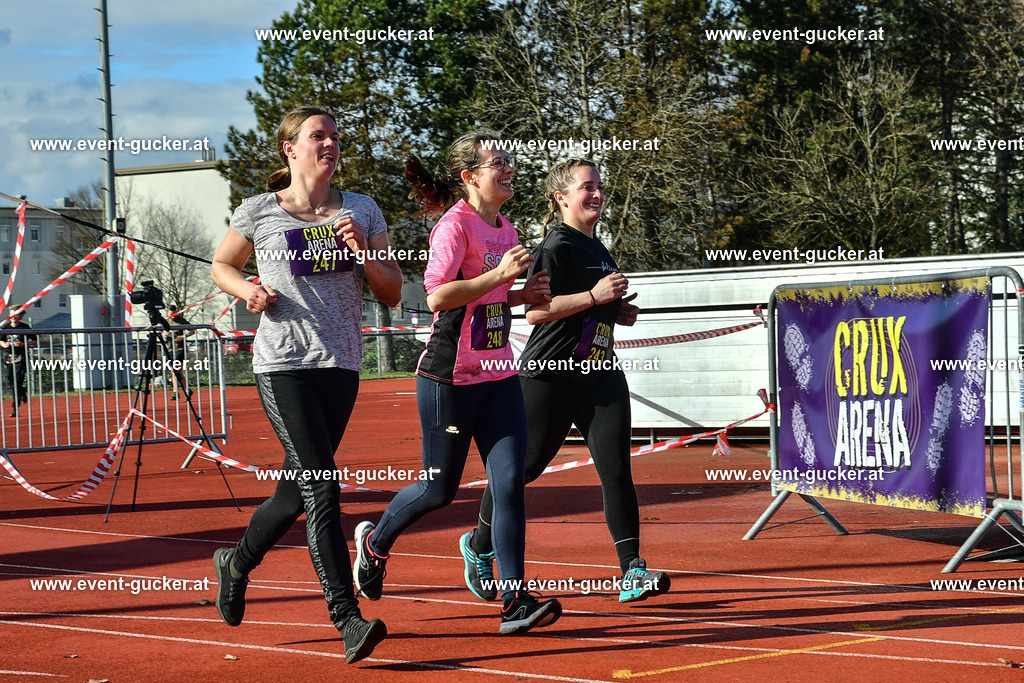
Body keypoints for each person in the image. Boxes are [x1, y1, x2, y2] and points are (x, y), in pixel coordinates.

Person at [210, 106, 402, 664]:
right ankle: (347, 618)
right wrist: (247, 291)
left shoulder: (362, 209)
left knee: (295, 492)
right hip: (283, 365)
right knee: (323, 486)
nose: (330, 144)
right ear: (290, 148)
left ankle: (236, 563)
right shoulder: (260, 211)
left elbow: (392, 291)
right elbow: (222, 265)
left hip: (340, 365)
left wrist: (364, 253)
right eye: (318, 136)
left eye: (335, 137)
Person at [352, 130, 562, 635]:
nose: (508, 168)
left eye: (509, 159)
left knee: (509, 484)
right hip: (450, 377)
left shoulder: (507, 228)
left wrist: (523, 294)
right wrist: (500, 278)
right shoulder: (453, 227)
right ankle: (375, 544)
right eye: (497, 162)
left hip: (499, 375)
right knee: (438, 489)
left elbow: (490, 301)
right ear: (470, 176)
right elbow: (438, 297)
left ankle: (513, 602)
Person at [459, 159, 671, 604]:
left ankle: (632, 570)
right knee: (520, 472)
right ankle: (479, 545)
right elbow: (536, 312)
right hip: (550, 376)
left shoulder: (599, 248)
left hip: (599, 373)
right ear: (561, 197)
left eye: (599, 186)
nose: (597, 194)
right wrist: (595, 296)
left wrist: (616, 311)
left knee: (617, 470)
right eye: (586, 187)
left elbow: (587, 306)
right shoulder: (555, 245)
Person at [0, 305, 31, 417]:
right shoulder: (5, 327)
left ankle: (15, 408)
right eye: (12, 314)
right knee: (10, 381)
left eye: (16, 314)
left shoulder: (25, 327)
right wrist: (4, 344)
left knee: (17, 382)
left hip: (21, 357)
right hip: (8, 357)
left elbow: (35, 340)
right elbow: (1, 341)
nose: (14, 317)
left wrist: (23, 344)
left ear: (20, 316)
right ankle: (22, 391)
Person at [163, 304, 194, 399]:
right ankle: (187, 390)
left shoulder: (181, 321)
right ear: (167, 313)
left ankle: (175, 391)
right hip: (169, 348)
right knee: (177, 371)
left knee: (174, 369)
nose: (173, 316)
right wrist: (163, 334)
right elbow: (159, 333)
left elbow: (192, 330)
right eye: (171, 314)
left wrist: (183, 336)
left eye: (174, 314)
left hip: (179, 348)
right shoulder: (165, 321)